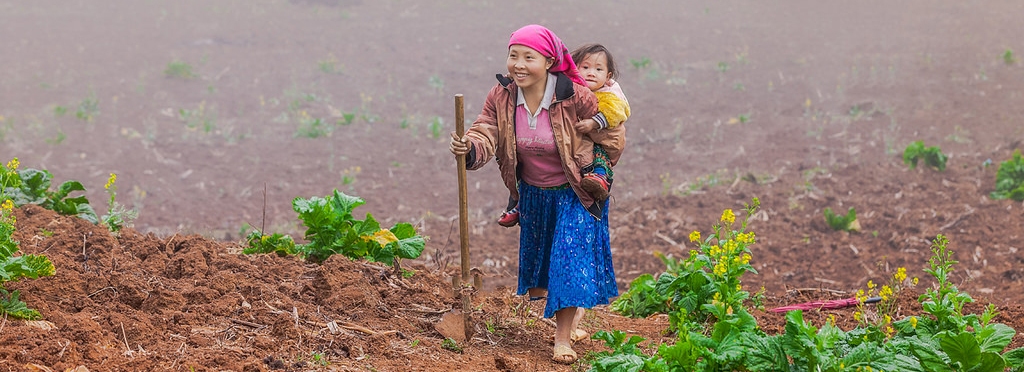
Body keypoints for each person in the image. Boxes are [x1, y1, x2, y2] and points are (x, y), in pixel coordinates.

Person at [448, 24, 625, 364]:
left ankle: (561, 341)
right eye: (513, 55)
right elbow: (487, 128)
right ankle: (572, 322)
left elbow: (612, 133)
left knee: (568, 262)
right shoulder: (501, 95)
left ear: (548, 61)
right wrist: (469, 147)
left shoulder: (574, 94)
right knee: (549, 268)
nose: (519, 64)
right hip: (534, 195)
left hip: (575, 193)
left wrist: (597, 167)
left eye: (529, 57)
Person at [497, 43, 631, 227]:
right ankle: (517, 203)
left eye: (598, 69)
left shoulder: (608, 93)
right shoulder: (567, 89)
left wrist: (594, 123)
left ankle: (599, 177)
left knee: (598, 154)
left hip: (599, 144)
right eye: (585, 67)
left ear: (607, 76)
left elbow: (617, 112)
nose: (591, 73)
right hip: (548, 169)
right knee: (524, 166)